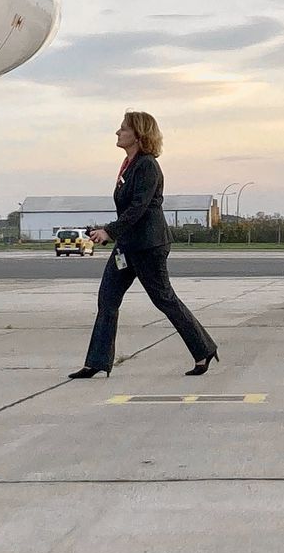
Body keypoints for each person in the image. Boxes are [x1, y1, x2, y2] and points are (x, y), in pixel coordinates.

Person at [69, 111, 218, 379]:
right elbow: (129, 209)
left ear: (138, 135)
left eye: (123, 129)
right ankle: (97, 362)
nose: (117, 132)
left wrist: (110, 231)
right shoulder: (129, 164)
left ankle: (203, 349)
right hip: (127, 246)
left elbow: (139, 208)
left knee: (165, 300)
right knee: (107, 300)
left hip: (148, 246)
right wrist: (106, 231)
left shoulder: (147, 165)